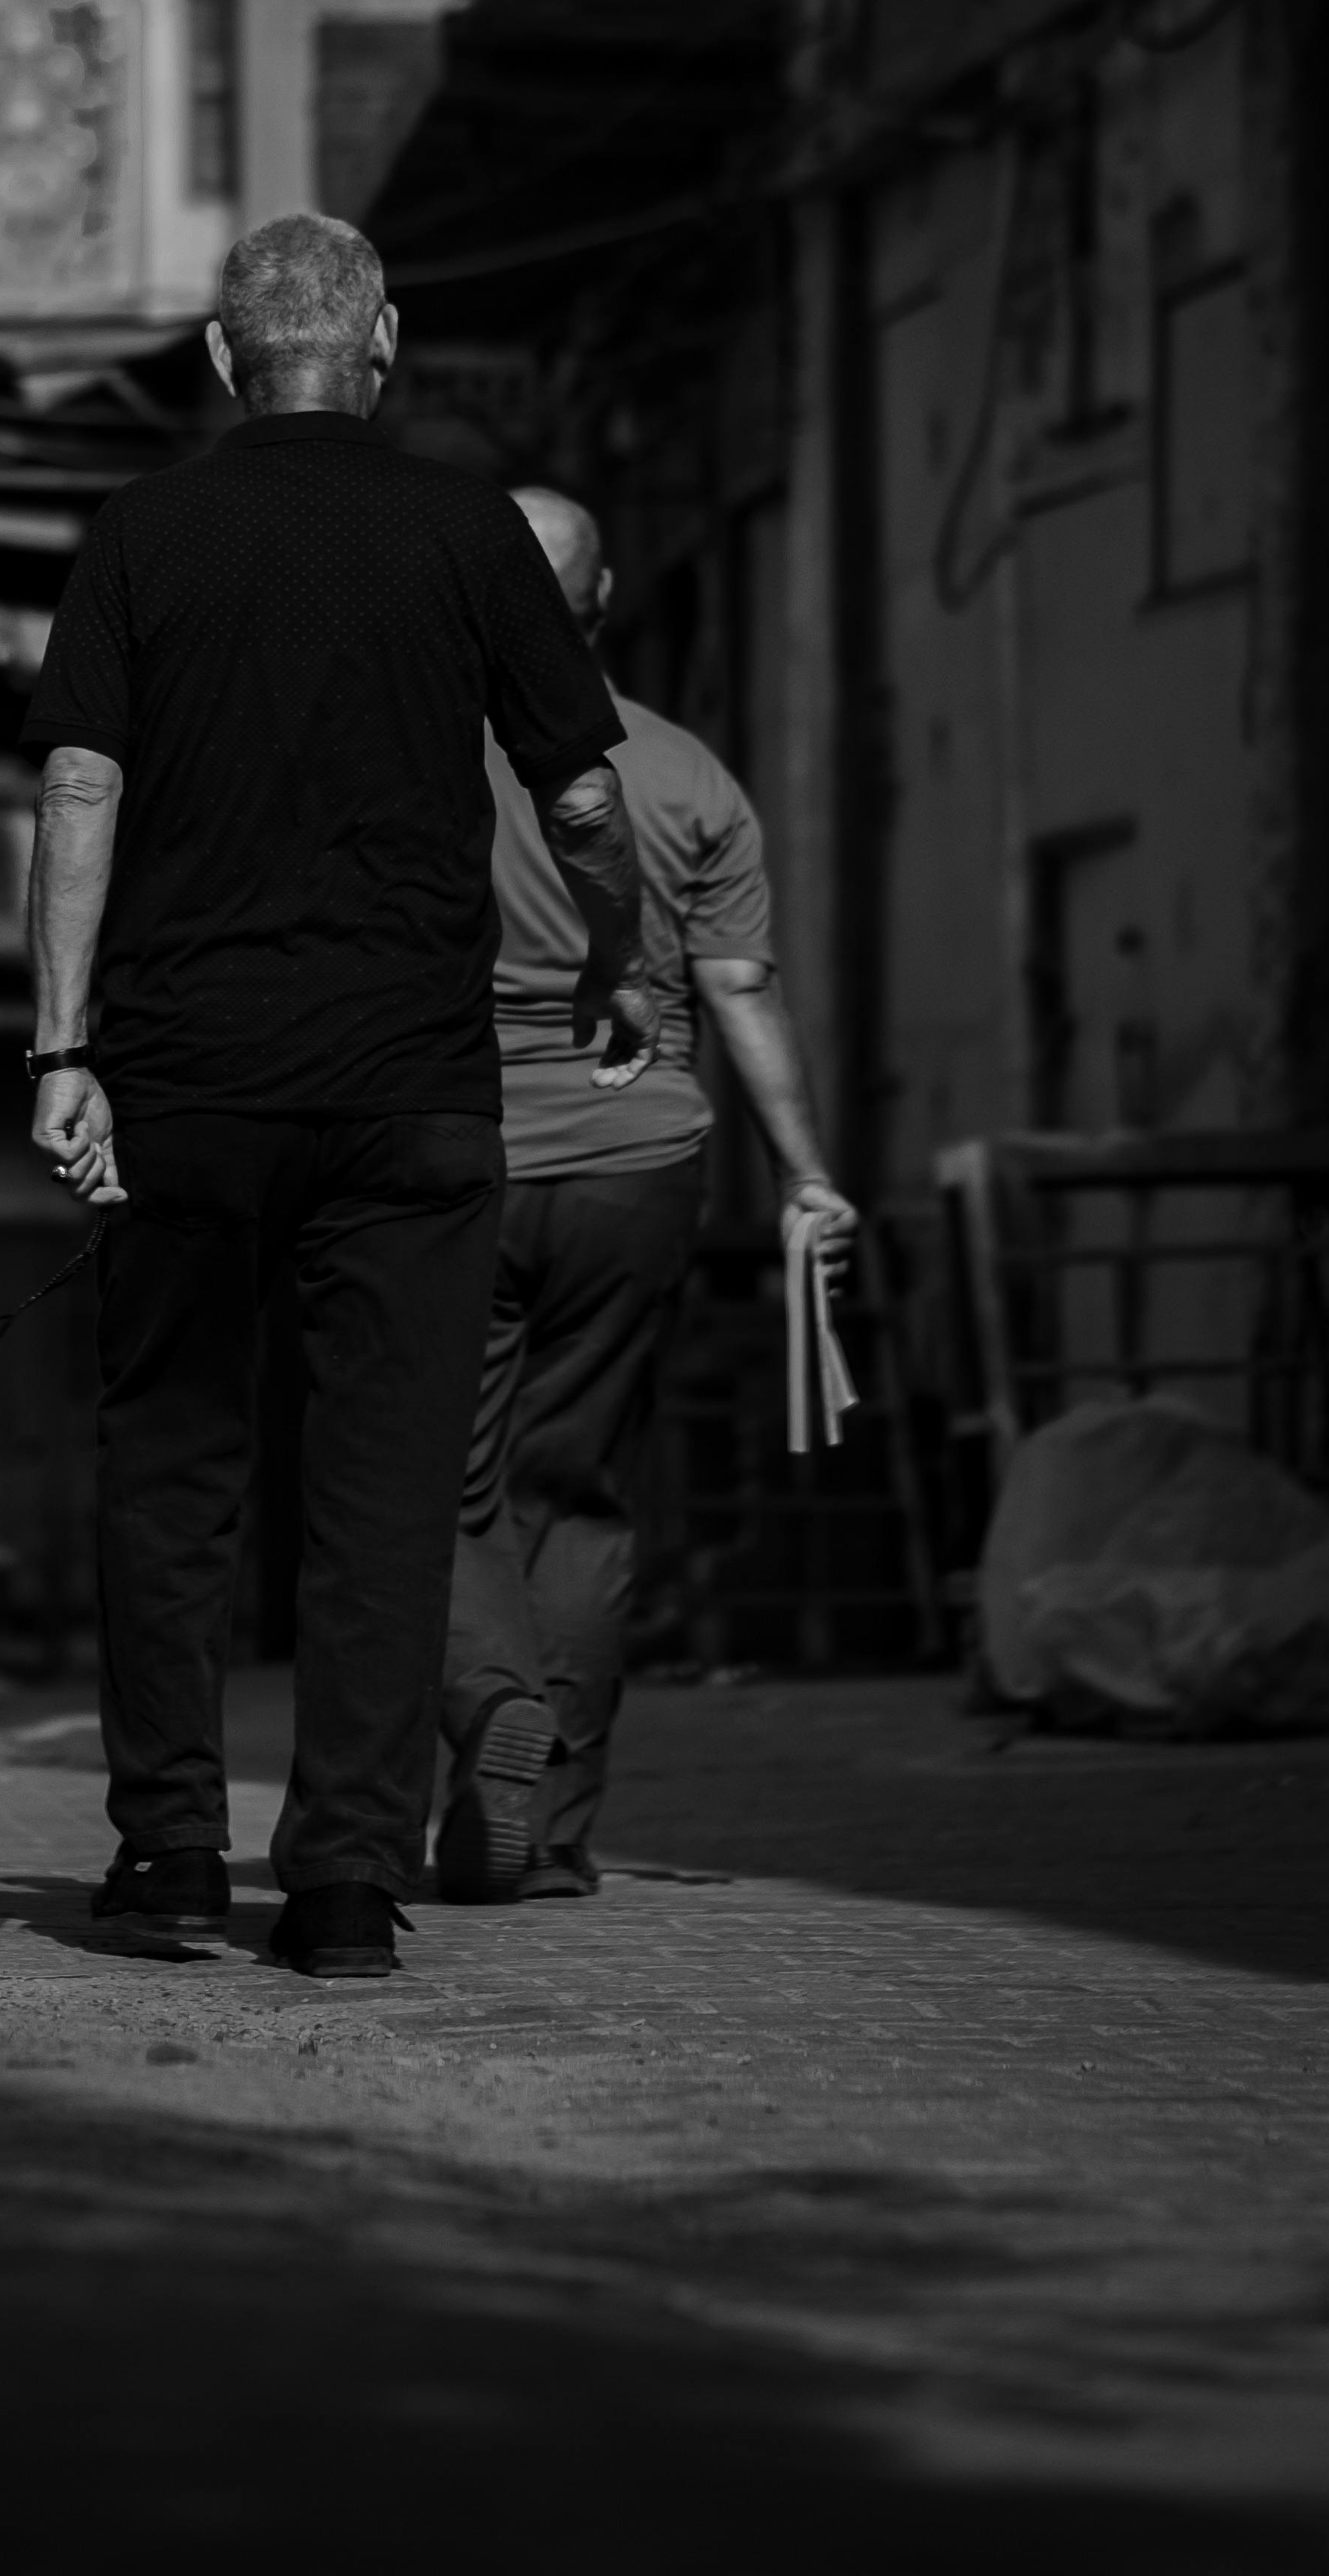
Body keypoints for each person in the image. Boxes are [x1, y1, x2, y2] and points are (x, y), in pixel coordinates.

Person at [21, 215, 650, 1983]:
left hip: (184, 1083)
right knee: (380, 1498)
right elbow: (583, 799)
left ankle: (160, 1858)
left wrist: (62, 1049)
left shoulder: (143, 534)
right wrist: (611, 951)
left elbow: (80, 785)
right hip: (412, 1100)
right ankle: (347, 1889)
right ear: (380, 342)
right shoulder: (464, 524)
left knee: (171, 1472)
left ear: (223, 361)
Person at [436, 487, 856, 1903]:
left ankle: (489, 1711)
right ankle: (547, 1831)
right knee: (586, 1497)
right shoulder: (686, 775)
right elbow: (740, 985)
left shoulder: (419, 754)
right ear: (606, 606)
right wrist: (805, 1174)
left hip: (456, 1157)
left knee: (441, 1480)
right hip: (642, 1163)